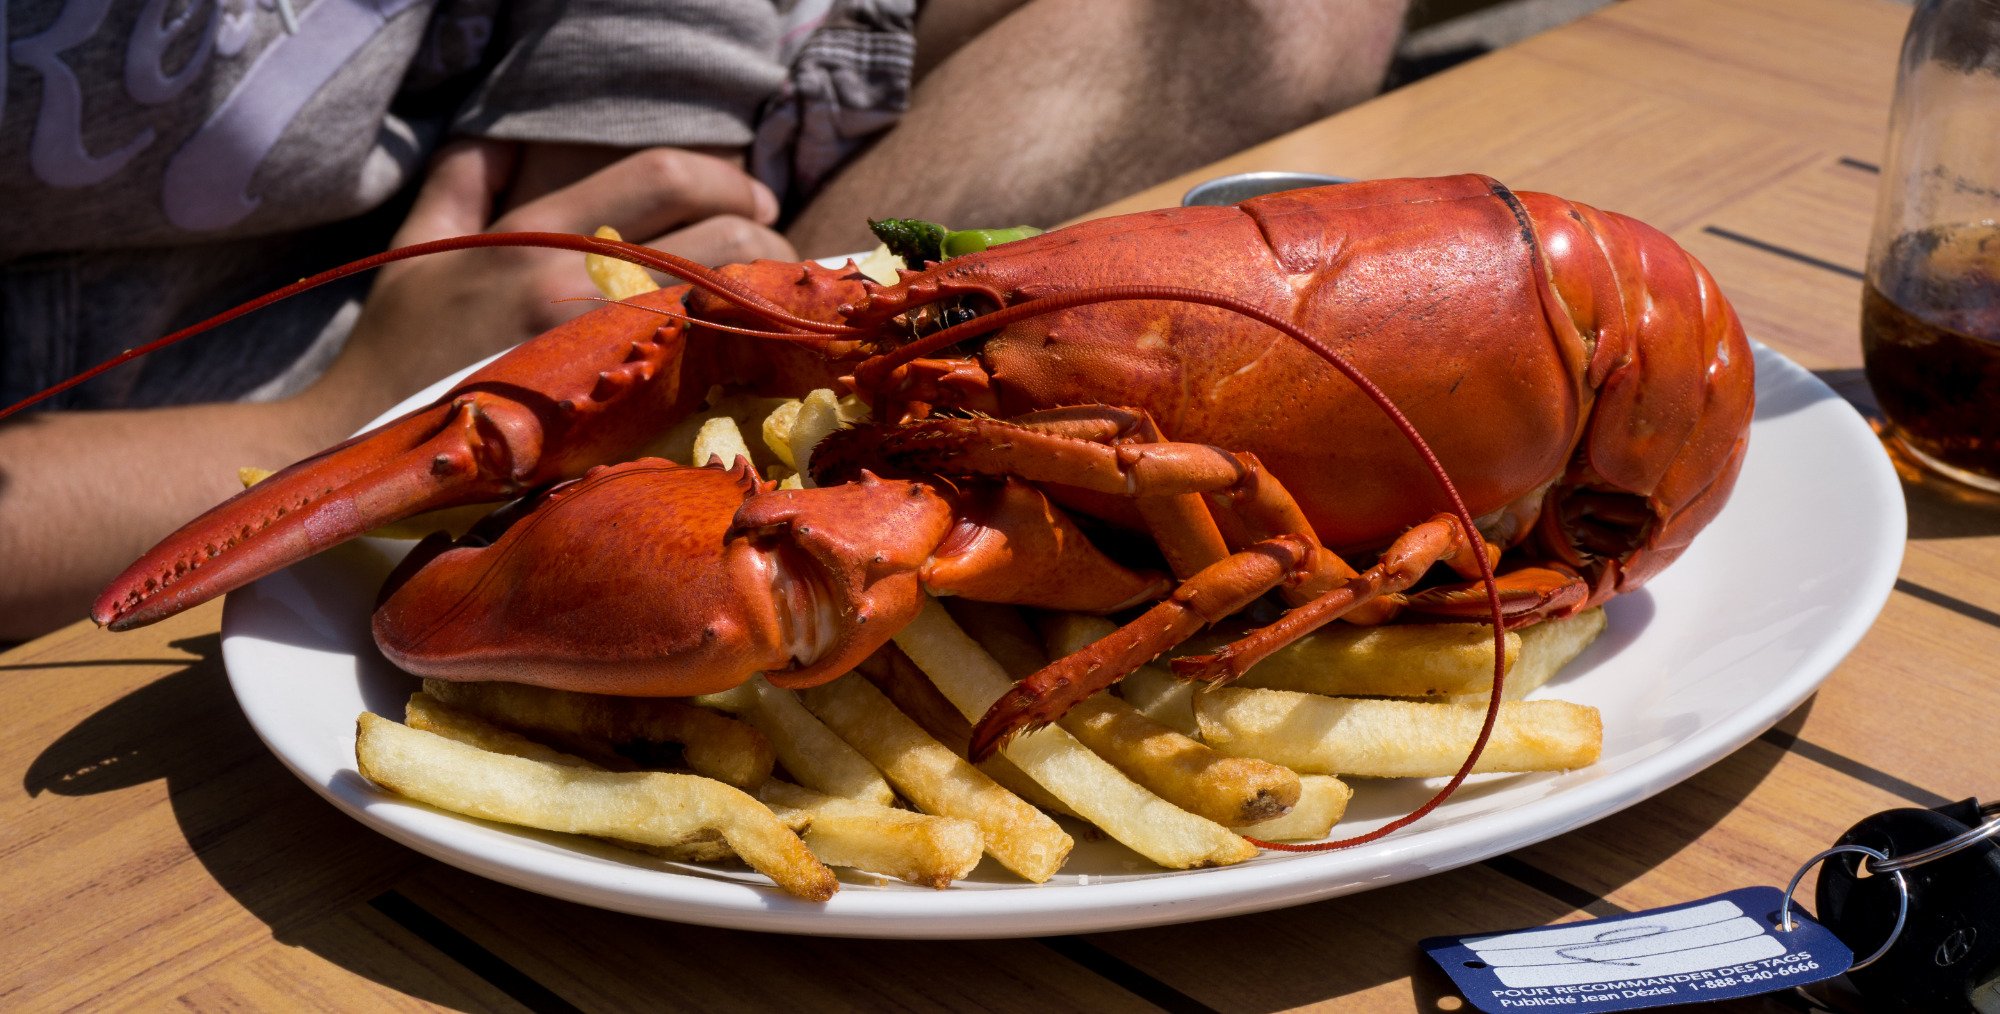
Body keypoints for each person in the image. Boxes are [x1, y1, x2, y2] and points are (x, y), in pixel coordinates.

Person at [0, 0, 1409, 640]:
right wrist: (341, 408)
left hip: (506, 169)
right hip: (202, 418)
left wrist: (621, 124)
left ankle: (748, 509)